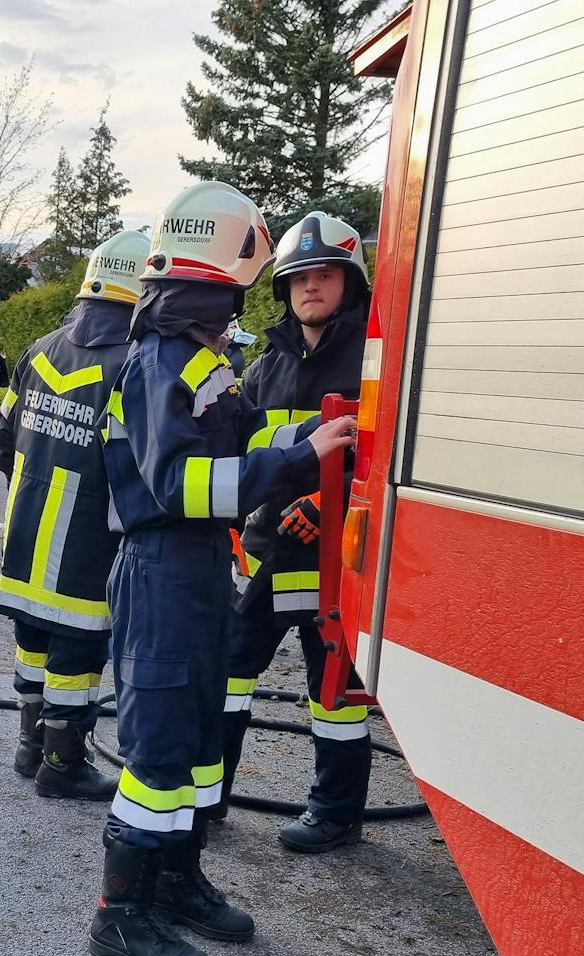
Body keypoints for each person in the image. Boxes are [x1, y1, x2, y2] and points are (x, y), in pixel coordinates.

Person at [90, 182, 357, 956]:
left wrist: (317, 428)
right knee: (162, 745)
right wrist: (300, 460)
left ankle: (175, 877)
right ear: (220, 272)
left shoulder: (202, 357)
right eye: (246, 278)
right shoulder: (162, 362)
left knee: (204, 738)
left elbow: (247, 432)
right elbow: (181, 485)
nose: (251, 294)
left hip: (203, 568)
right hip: (165, 567)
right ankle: (120, 915)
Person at [218, 212, 372, 853]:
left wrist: (320, 497)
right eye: (299, 276)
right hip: (264, 551)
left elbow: (383, 454)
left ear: (349, 283)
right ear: (282, 287)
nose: (312, 286)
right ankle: (207, 795)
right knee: (226, 675)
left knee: (333, 688)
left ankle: (334, 813)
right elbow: (241, 442)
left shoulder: (372, 360)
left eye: (326, 274)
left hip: (334, 558)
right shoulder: (265, 364)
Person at [0, 230, 150, 800]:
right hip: (86, 541)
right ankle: (62, 763)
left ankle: (28, 746)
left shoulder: (38, 350)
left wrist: (30, 486)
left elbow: (3, 434)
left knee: (31, 641)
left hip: (26, 531)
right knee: (77, 657)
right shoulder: (134, 364)